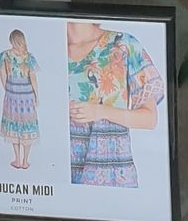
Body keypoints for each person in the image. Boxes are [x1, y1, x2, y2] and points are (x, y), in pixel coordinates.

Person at [66, 19, 163, 187]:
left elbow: (149, 119)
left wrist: (101, 112)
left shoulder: (123, 45)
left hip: (111, 176)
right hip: (60, 174)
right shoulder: (45, 49)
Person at [0, 28, 41, 171]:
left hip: (14, 96)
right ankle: (24, 161)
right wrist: (36, 95)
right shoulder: (28, 57)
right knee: (25, 127)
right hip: (26, 96)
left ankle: (18, 159)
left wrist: (8, 89)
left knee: (14, 127)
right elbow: (33, 78)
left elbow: (3, 75)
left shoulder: (5, 55)